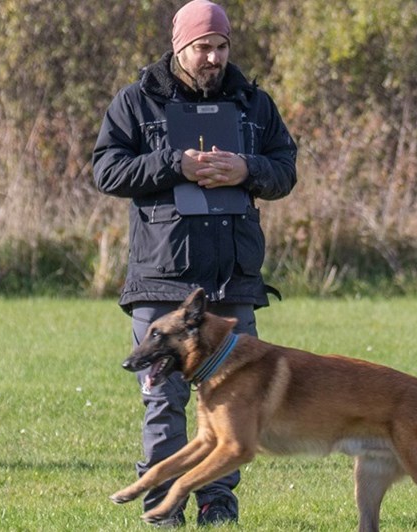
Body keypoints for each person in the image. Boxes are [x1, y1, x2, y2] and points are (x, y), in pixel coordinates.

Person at [90, 0, 297, 526]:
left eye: (221, 47)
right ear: (179, 47)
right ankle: (163, 509)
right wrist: (173, 164)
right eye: (203, 47)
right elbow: (108, 171)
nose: (213, 57)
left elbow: (284, 171)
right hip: (162, 279)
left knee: (231, 405)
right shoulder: (136, 102)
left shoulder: (255, 104)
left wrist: (245, 169)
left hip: (231, 283)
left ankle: (218, 503)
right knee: (163, 399)